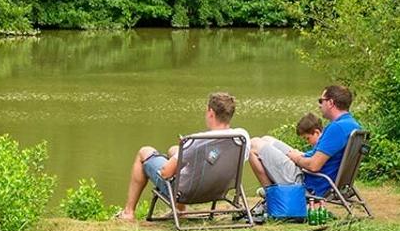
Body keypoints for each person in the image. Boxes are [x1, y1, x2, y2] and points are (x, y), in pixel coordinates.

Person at [118, 91, 250, 221]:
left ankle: (129, 212)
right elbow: (216, 157)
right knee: (174, 150)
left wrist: (182, 152)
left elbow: (165, 173)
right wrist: (181, 152)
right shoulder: (242, 137)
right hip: (219, 190)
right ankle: (179, 210)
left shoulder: (196, 141)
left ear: (210, 112)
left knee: (144, 152)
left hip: (187, 193)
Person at [248, 85, 361, 198]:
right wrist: (301, 155)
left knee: (254, 144)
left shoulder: (337, 128)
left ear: (331, 103)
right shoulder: (352, 125)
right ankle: (273, 192)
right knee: (267, 139)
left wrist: (296, 158)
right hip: (315, 175)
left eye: (321, 101)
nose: (319, 105)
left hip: (307, 182)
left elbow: (314, 166)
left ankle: (272, 196)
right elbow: (321, 157)